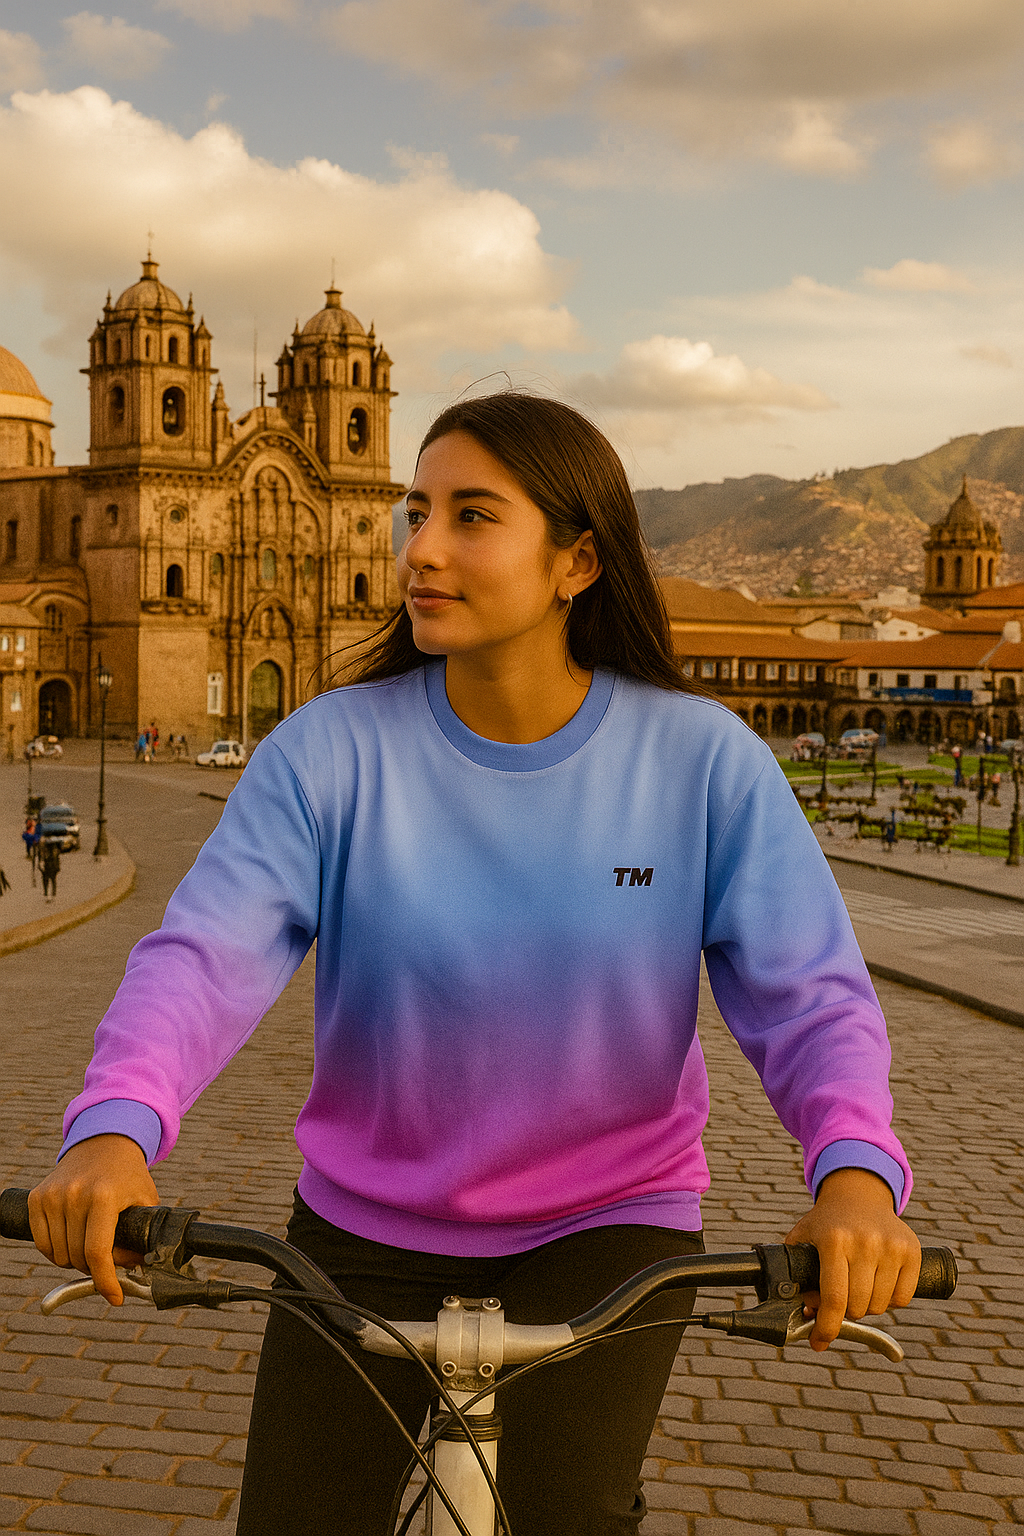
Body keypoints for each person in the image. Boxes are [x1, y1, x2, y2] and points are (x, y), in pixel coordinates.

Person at [26, 394, 921, 1536]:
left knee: (572, 1514)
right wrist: (112, 1131)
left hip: (612, 1237)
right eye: (415, 512)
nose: (422, 549)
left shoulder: (703, 763)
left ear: (577, 561)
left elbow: (809, 996)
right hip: (358, 1235)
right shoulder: (330, 751)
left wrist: (853, 1179)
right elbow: (203, 954)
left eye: (472, 516)